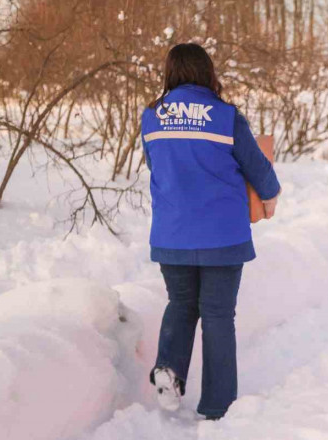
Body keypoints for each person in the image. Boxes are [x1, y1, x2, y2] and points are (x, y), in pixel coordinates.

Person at [140, 43, 281, 420]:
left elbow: (156, 165)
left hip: (172, 236)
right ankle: (218, 406)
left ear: (170, 72)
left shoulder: (151, 117)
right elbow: (257, 167)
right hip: (222, 236)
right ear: (207, 72)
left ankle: (169, 369)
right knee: (218, 315)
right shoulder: (225, 116)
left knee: (181, 305)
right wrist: (271, 195)